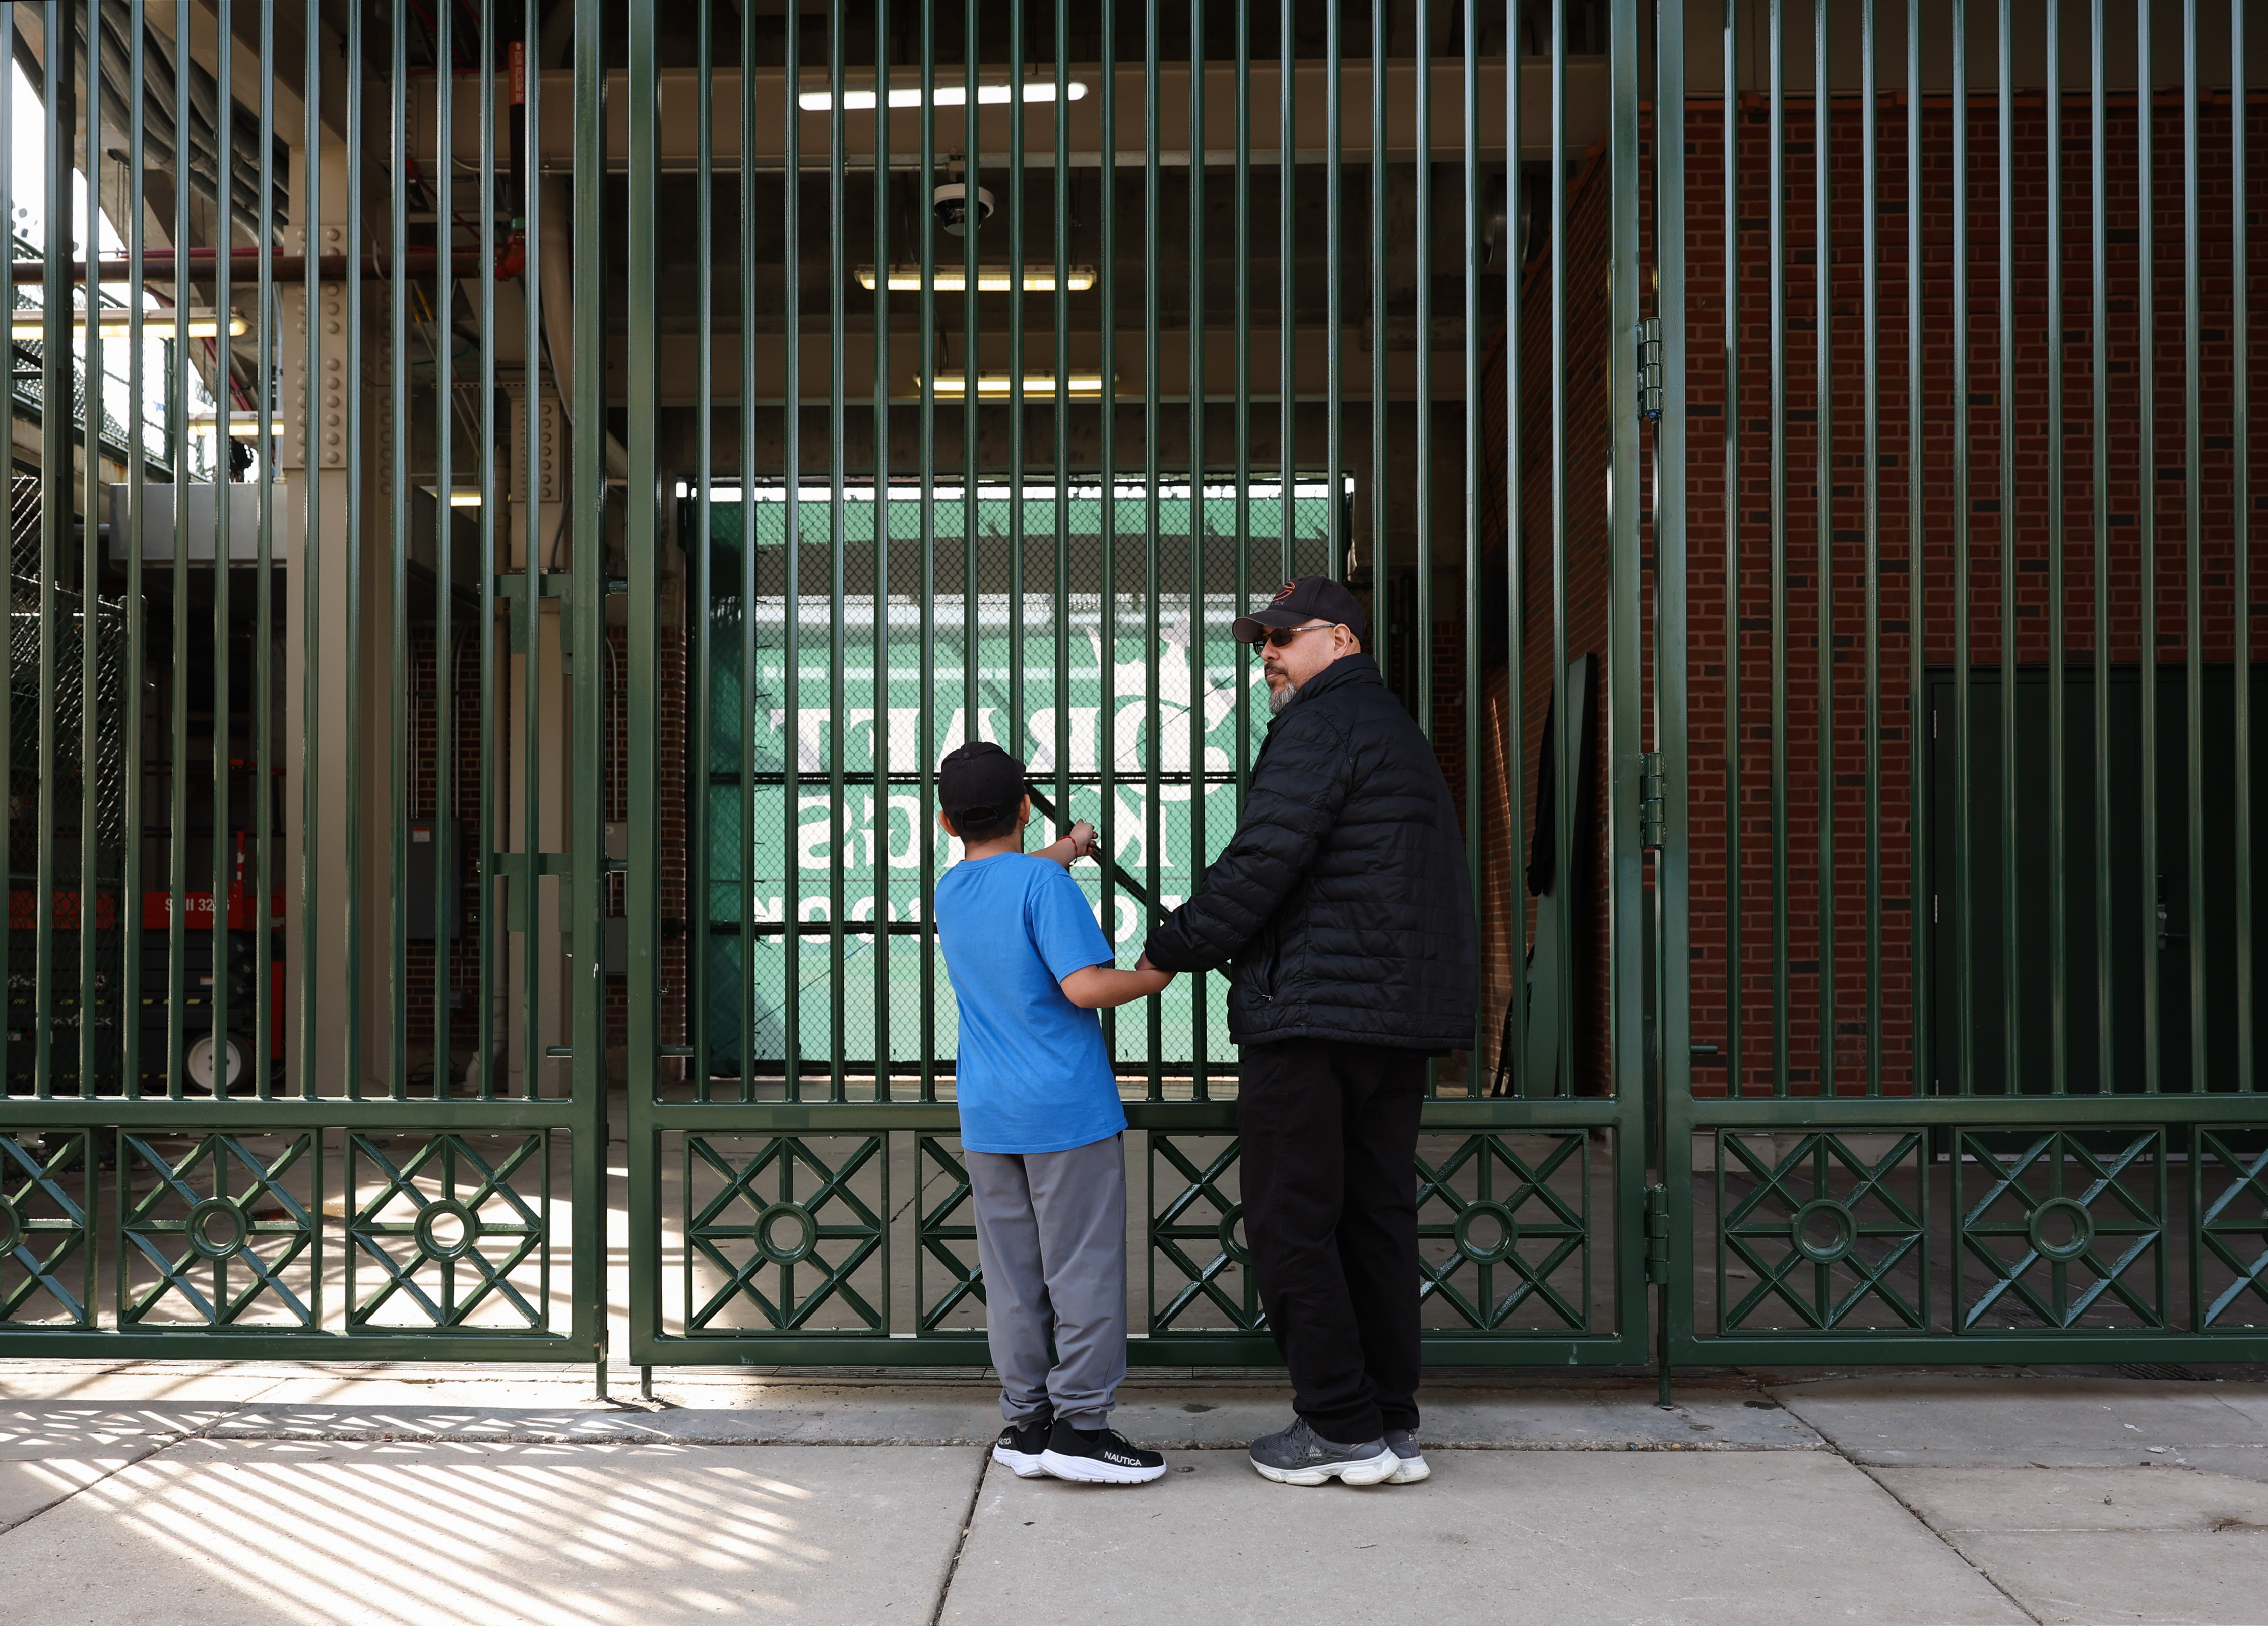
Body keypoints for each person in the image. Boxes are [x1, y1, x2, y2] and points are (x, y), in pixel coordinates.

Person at [1139, 576, 1478, 1488]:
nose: (1267, 658)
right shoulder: (1394, 730)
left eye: (1283, 639)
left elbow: (1265, 857)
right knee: (1375, 1219)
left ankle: (1337, 1426)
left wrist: (1176, 942)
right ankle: (1390, 1423)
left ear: (1342, 638)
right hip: (1391, 1022)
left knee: (1291, 1223)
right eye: (1261, 643)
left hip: (1316, 1018)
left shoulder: (1321, 724)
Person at [931, 739, 1176, 1485]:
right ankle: (1082, 1427)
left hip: (989, 1112)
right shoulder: (1046, 889)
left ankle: (1028, 1419)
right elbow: (1083, 986)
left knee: (1014, 1274)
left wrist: (1067, 848)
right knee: (1084, 1269)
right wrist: (1152, 972)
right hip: (1064, 1110)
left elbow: (1013, 872)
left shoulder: (952, 887)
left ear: (947, 823)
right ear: (1025, 804)